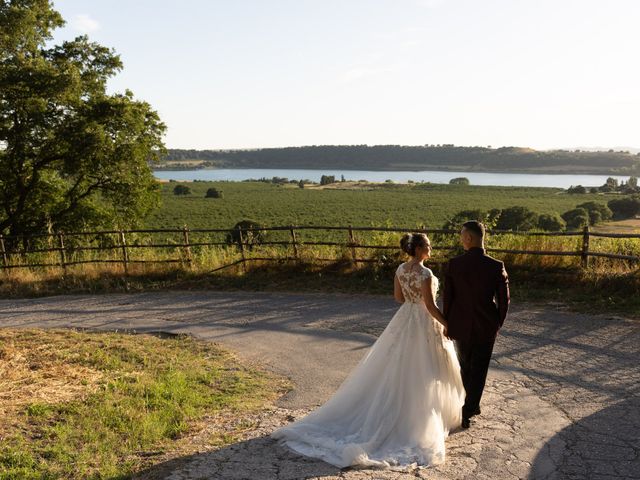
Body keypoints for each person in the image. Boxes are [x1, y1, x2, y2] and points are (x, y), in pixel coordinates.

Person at [271, 233, 464, 469]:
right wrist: (447, 324)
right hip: (424, 321)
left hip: (405, 318)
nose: (431, 247)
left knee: (400, 365)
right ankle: (417, 420)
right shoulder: (426, 274)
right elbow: (431, 307)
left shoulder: (401, 269)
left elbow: (397, 297)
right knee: (424, 368)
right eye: (428, 245)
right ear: (419, 249)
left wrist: (413, 304)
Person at [443, 220, 510, 429]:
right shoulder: (496, 265)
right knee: (479, 369)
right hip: (486, 325)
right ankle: (470, 408)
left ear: (470, 238)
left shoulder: (454, 264)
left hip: (461, 325)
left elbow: (449, 298)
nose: (461, 239)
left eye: (462, 235)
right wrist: (497, 322)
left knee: (465, 367)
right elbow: (504, 300)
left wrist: (448, 322)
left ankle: (469, 406)